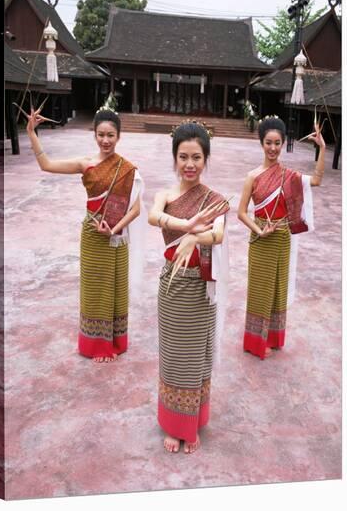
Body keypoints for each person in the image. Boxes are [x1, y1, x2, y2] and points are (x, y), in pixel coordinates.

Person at [26, 103, 145, 363]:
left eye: (110, 135)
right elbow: (46, 164)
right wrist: (32, 133)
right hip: (93, 235)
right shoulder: (85, 164)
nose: (105, 140)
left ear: (118, 137)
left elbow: (136, 208)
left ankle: (115, 341)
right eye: (101, 135)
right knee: (95, 288)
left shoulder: (128, 168)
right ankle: (97, 346)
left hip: (116, 236)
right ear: (94, 135)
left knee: (115, 287)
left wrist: (113, 228)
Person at [148, 121, 230, 454]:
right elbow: (154, 216)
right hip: (172, 286)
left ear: (206, 159)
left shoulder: (215, 200)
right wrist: (185, 225)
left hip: (201, 288)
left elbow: (219, 233)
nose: (190, 164)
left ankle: (191, 422)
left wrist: (196, 237)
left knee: (196, 358)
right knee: (172, 358)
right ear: (174, 158)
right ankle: (173, 425)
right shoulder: (165, 195)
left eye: (196, 157)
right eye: (183, 157)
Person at [237, 115, 325, 360]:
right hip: (260, 239)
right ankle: (255, 342)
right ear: (261, 143)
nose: (273, 148)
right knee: (259, 290)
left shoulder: (290, 176)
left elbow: (317, 180)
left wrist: (323, 149)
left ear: (283, 143)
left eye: (277, 143)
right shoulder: (252, 176)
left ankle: (273, 338)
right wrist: (257, 229)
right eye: (268, 142)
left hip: (283, 238)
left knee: (277, 289)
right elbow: (241, 212)